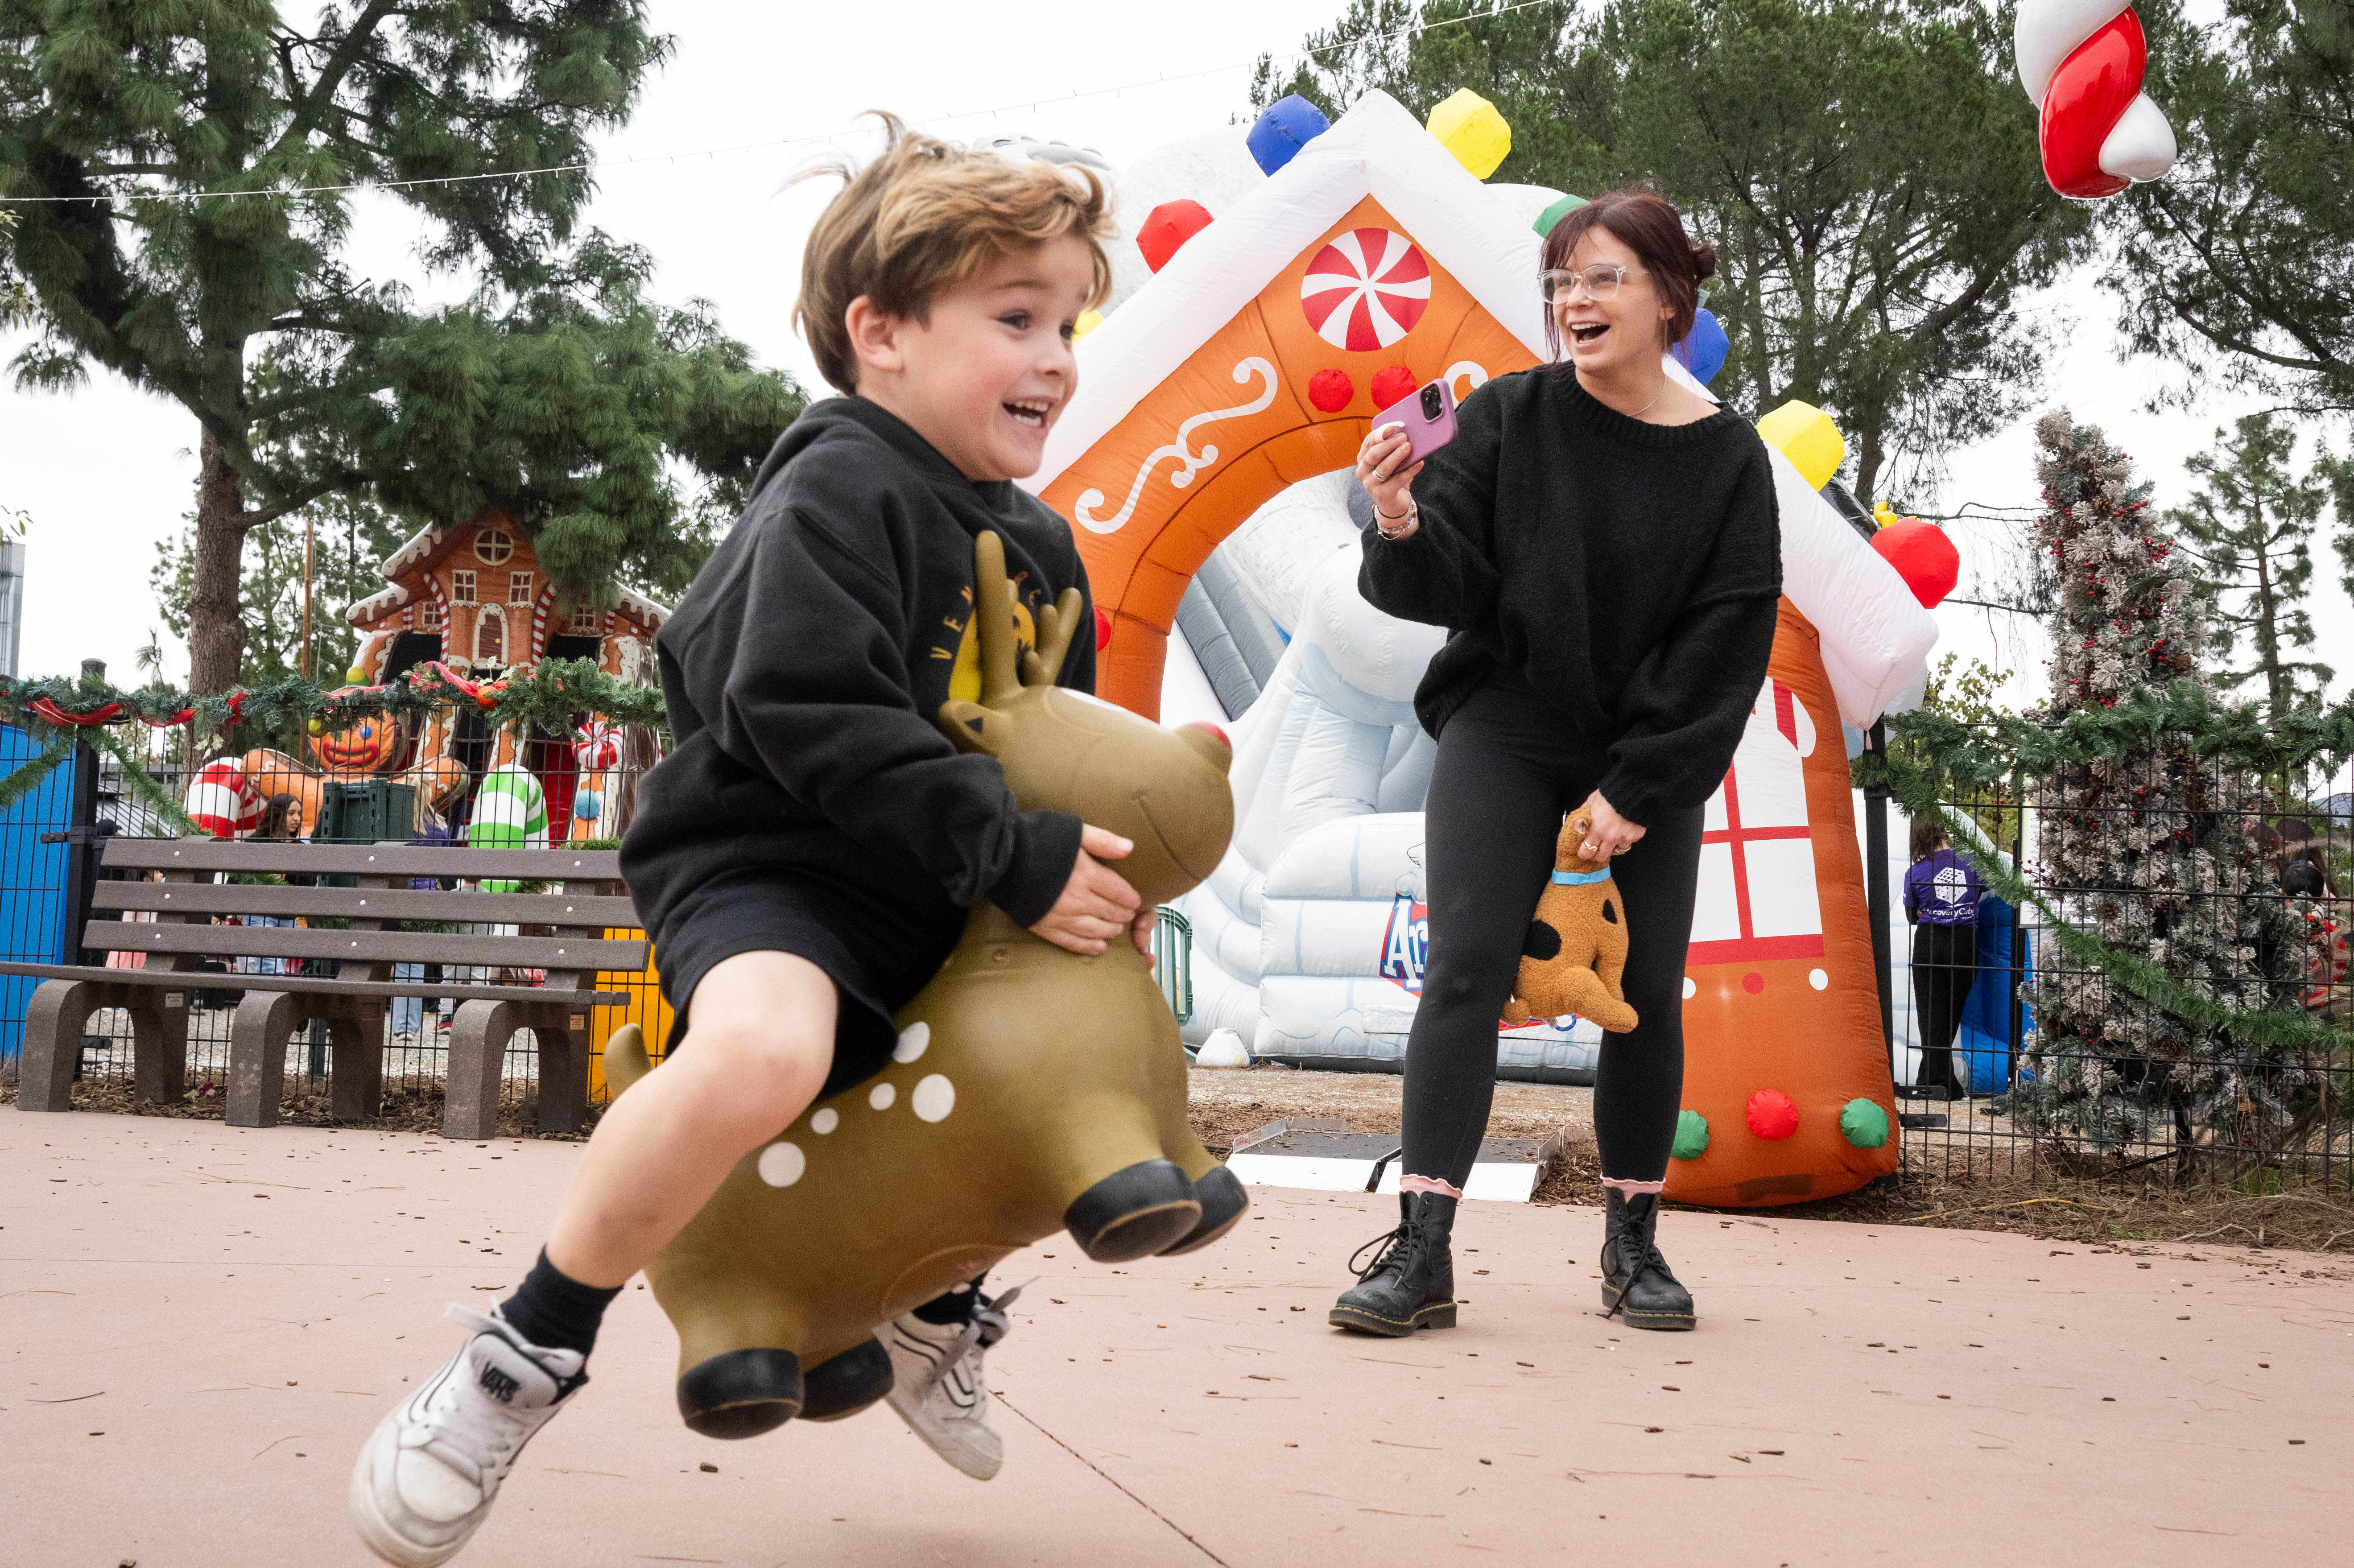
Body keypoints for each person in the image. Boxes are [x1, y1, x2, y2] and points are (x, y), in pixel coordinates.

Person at [351, 118, 1146, 1568]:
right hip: (774, 863)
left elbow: (1051, 731)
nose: (1055, 356)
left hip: (931, 880)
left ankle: (925, 1307)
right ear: (881, 331)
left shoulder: (1040, 545)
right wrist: (1004, 842)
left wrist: (1087, 848)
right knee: (767, 1050)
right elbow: (794, 698)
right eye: (1015, 317)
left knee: (1077, 1050)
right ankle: (516, 1357)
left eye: (1069, 323)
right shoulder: (838, 486)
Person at [1332, 188, 1783, 1341]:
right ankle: (1420, 1247)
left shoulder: (1728, 457)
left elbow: (1726, 638)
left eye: (1600, 280)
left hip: (1645, 747)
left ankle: (1631, 1244)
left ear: (1668, 298)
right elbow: (1448, 589)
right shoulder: (1503, 418)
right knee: (1468, 967)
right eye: (1559, 284)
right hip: (1508, 719)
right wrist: (1394, 516)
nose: (1571, 303)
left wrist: (1637, 789)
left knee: (1637, 997)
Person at [1903, 818, 1986, 1099]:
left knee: (1931, 1015)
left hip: (1929, 941)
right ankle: (1941, 1084)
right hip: (1964, 943)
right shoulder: (1974, 863)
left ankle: (1935, 1083)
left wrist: (1929, 911)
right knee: (1951, 1015)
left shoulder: (1916, 871)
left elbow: (1910, 916)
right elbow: (1983, 891)